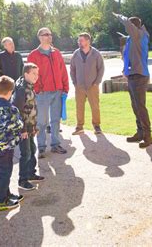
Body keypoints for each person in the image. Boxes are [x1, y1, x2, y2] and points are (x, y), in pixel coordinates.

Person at [113, 12, 152, 148]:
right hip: (133, 75)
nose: (126, 29)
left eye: (129, 27)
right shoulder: (132, 38)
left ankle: (148, 136)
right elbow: (129, 56)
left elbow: (128, 25)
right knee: (135, 106)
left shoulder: (138, 35)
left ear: (134, 27)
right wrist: (126, 70)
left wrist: (119, 16)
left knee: (140, 107)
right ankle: (140, 133)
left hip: (139, 76)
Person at [27, 27, 69, 158]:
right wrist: (38, 89)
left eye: (50, 34)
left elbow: (63, 71)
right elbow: (30, 74)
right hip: (42, 93)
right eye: (46, 34)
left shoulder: (56, 52)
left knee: (55, 120)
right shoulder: (33, 55)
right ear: (40, 37)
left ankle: (55, 144)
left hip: (57, 91)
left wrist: (65, 88)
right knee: (41, 122)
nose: (49, 37)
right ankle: (41, 147)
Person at [0, 76, 24, 211]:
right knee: (5, 172)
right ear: (10, 92)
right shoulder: (11, 109)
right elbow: (17, 125)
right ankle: (1, 201)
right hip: (6, 147)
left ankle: (6, 194)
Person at [12, 63, 45, 191]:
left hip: (30, 127)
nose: (36, 76)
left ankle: (31, 173)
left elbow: (31, 109)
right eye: (34, 73)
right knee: (25, 153)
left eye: (37, 73)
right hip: (23, 128)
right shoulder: (21, 89)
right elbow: (18, 110)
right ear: (26, 74)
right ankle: (23, 179)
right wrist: (23, 129)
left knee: (32, 149)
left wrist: (34, 127)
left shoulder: (29, 86)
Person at [70, 32, 105, 135]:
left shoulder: (96, 54)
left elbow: (101, 69)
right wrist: (75, 82)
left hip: (92, 86)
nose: (79, 42)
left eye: (81, 40)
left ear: (88, 41)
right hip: (79, 86)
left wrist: (97, 83)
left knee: (95, 107)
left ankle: (97, 126)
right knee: (79, 107)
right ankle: (79, 127)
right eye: (78, 40)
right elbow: (72, 69)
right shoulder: (76, 54)